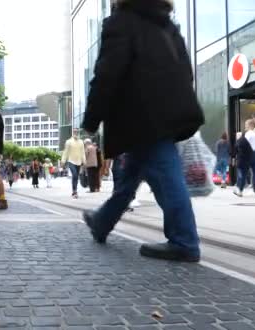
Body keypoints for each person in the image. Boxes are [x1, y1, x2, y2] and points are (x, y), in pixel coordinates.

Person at [81, 0, 204, 262]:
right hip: (167, 110)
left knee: (166, 174)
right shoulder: (167, 24)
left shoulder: (122, 22)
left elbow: (107, 73)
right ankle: (102, 222)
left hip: (143, 116)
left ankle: (184, 241)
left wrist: (92, 118)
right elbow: (186, 71)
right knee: (130, 174)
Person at [233, 120, 255, 197]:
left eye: (246, 125)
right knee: (253, 173)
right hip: (253, 155)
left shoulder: (248, 134)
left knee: (242, 174)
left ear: (250, 125)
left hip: (244, 156)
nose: (245, 126)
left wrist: (238, 140)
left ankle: (240, 189)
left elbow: (241, 144)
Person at [61, 128, 86, 199]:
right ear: (73, 132)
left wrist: (84, 161)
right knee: (74, 175)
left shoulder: (81, 142)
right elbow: (65, 152)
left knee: (76, 177)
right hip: (71, 161)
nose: (76, 132)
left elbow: (83, 152)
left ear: (78, 132)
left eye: (77, 131)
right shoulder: (68, 141)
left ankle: (74, 190)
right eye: (74, 131)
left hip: (78, 162)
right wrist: (63, 161)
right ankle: (74, 191)